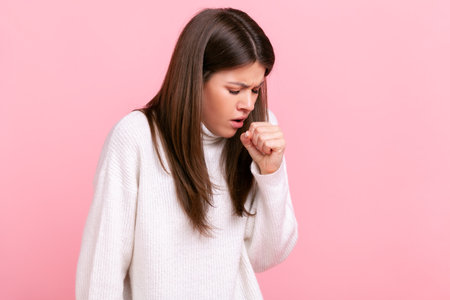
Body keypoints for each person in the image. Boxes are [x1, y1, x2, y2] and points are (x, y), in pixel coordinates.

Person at [75, 7, 298, 300]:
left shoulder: (257, 134)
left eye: (256, 89)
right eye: (235, 90)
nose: (247, 103)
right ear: (196, 79)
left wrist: (271, 173)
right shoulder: (136, 138)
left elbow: (267, 256)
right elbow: (102, 269)